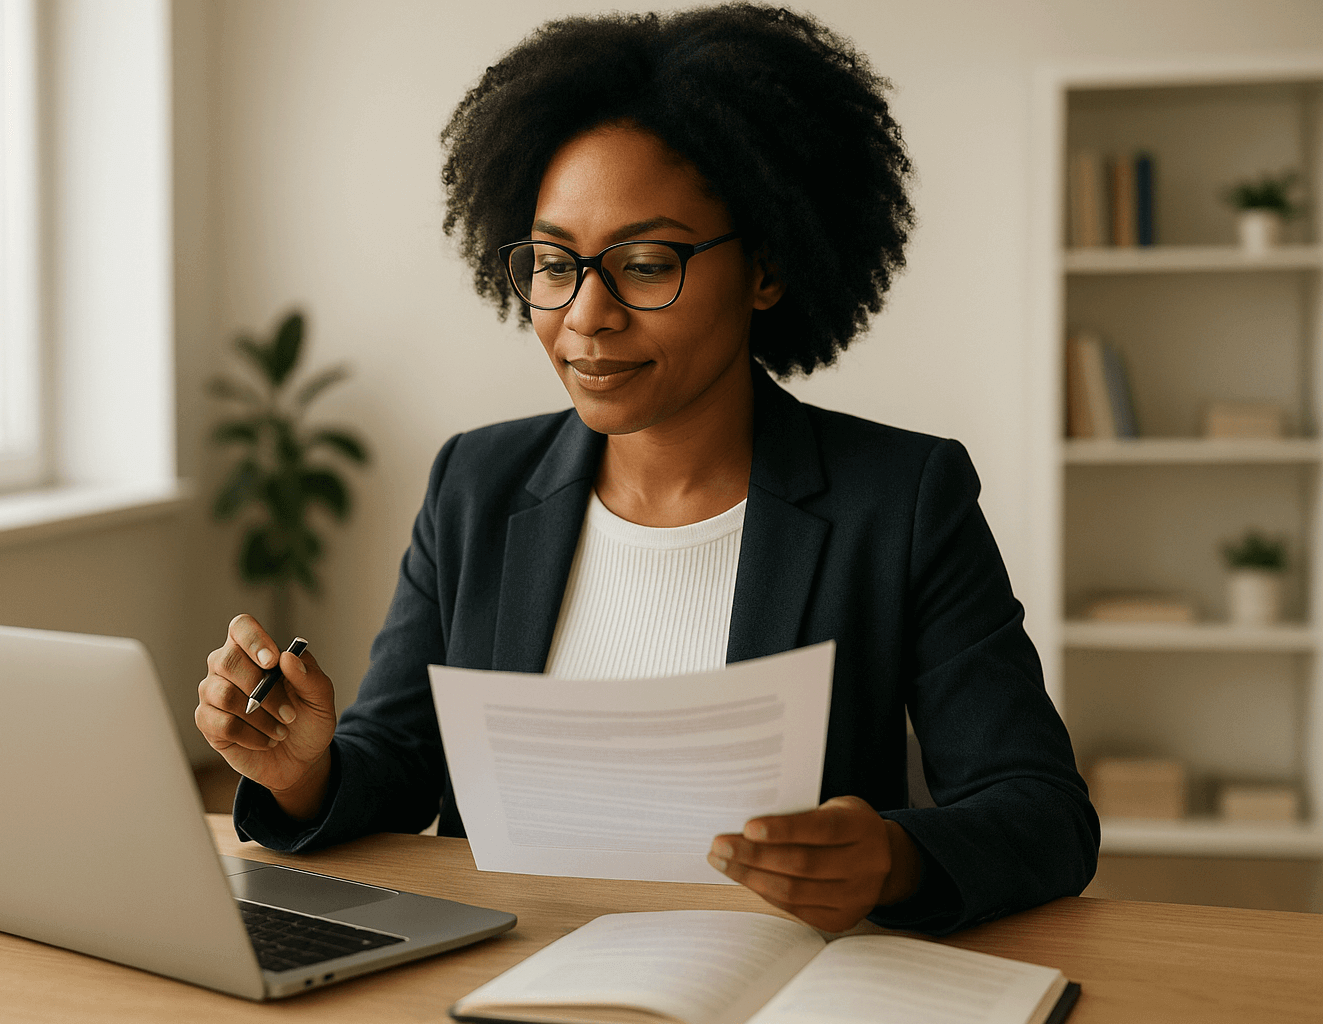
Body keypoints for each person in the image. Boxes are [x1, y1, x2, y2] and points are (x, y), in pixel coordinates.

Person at [195, 3, 1098, 936]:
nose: (586, 313)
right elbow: (400, 755)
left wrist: (897, 857)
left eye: (645, 261)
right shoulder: (479, 482)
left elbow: (1041, 812)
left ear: (768, 267)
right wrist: (305, 772)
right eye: (554, 262)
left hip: (769, 985)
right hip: (505, 975)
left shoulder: (900, 499)